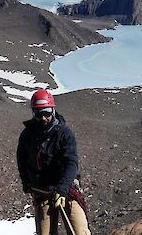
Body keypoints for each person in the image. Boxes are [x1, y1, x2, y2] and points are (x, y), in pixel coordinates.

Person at [17, 89, 91, 235]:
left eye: (47, 113)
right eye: (39, 114)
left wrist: (62, 189)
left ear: (53, 110)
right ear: (34, 114)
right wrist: (26, 181)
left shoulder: (64, 133)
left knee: (79, 231)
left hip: (66, 189)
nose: (43, 118)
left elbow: (71, 163)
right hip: (42, 190)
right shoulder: (27, 135)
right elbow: (22, 158)